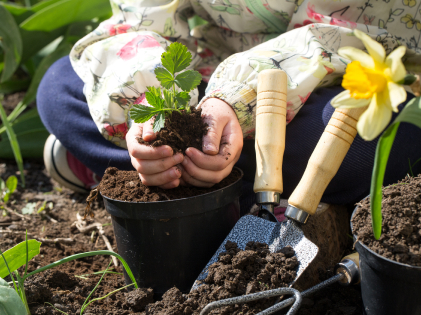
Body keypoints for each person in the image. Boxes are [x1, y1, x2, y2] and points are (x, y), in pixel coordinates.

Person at [38, 0, 421, 212]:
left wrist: (238, 99)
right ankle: (193, 175)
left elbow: (366, 37)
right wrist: (155, 110)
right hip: (210, 71)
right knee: (60, 88)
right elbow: (141, 21)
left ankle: (136, 179)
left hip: (332, 83)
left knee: (391, 139)